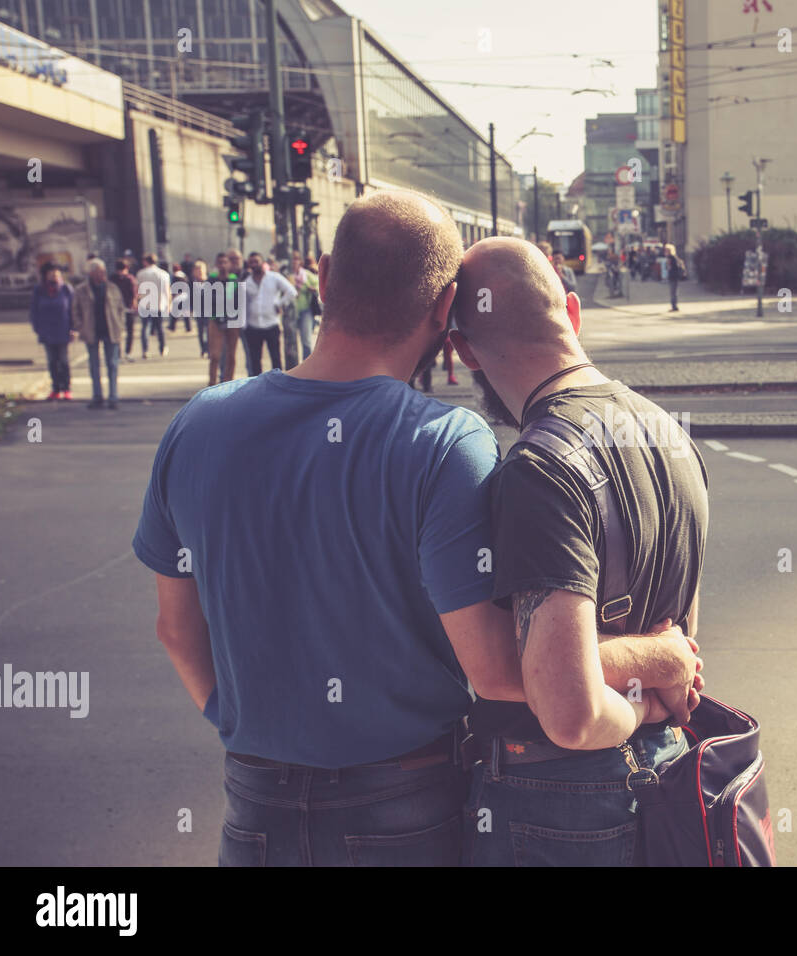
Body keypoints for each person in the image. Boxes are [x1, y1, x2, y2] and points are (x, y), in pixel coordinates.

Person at [132, 189, 695, 867]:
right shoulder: (444, 442)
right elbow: (498, 668)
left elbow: (174, 629)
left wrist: (236, 720)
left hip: (252, 798)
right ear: (442, 310)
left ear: (326, 277)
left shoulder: (199, 423)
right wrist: (658, 659)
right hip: (404, 805)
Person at [449, 237, 708, 868]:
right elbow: (682, 650)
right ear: (572, 311)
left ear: (461, 351)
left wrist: (637, 693)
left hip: (557, 804)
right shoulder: (666, 429)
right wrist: (656, 683)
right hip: (666, 772)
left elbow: (568, 711)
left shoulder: (538, 468)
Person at [71, 257, 125, 410]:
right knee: (94, 366)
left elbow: (121, 308)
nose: (103, 274)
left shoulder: (112, 288)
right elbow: (75, 310)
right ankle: (97, 396)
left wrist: (120, 326)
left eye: (104, 271)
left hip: (111, 330)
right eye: (100, 272)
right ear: (92, 273)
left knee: (112, 365)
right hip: (91, 331)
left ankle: (113, 397)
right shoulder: (82, 290)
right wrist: (80, 327)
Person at [241, 251, 296, 376]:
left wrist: (279, 303)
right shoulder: (247, 282)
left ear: (262, 262)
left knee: (275, 358)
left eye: (256, 261)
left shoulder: (274, 277)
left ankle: (277, 385)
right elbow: (243, 304)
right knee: (255, 360)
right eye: (251, 262)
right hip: (252, 326)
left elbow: (291, 292)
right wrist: (243, 326)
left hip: (271, 324)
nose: (254, 264)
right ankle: (257, 387)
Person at [29, 261, 74, 400]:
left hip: (63, 330)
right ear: (46, 275)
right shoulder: (39, 290)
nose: (54, 275)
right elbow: (34, 311)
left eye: (57, 273)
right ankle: (55, 388)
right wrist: (37, 328)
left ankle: (66, 388)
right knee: (52, 361)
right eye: (51, 273)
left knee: (64, 361)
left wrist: (74, 328)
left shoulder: (66, 289)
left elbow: (73, 309)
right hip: (47, 332)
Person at [206, 253, 242, 386]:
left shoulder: (234, 280)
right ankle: (212, 383)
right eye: (220, 262)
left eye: (225, 262)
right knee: (215, 355)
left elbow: (237, 300)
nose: (222, 265)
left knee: (231, 355)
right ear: (216, 264)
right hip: (215, 319)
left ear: (229, 264)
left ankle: (228, 382)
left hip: (232, 320)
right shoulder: (211, 280)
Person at [135, 253, 171, 359]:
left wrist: (137, 301)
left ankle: (145, 350)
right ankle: (163, 347)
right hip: (159, 303)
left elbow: (138, 289)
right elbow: (167, 290)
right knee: (160, 327)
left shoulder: (141, 273)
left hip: (145, 303)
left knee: (145, 327)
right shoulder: (163, 274)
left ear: (146, 261)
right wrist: (169, 304)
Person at [285, 251, 315, 366]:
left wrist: (313, 289)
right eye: (292, 259)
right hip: (290, 312)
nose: (294, 262)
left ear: (300, 261)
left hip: (305, 311)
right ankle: (295, 367)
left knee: (306, 341)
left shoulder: (306, 275)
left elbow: (318, 285)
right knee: (291, 342)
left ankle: (307, 366)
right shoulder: (286, 275)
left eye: (296, 259)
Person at [110, 259, 137, 363]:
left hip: (127, 308)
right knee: (117, 332)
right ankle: (119, 354)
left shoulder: (129, 279)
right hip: (117, 309)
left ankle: (127, 352)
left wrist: (134, 305)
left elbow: (134, 294)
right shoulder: (113, 279)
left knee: (130, 331)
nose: (121, 272)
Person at [664, 243, 685, 312]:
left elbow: (668, 267)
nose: (665, 251)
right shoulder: (674, 256)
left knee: (673, 292)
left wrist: (667, 264)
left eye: (666, 250)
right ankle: (674, 306)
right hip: (675, 276)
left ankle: (674, 306)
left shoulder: (670, 257)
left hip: (672, 276)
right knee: (674, 292)